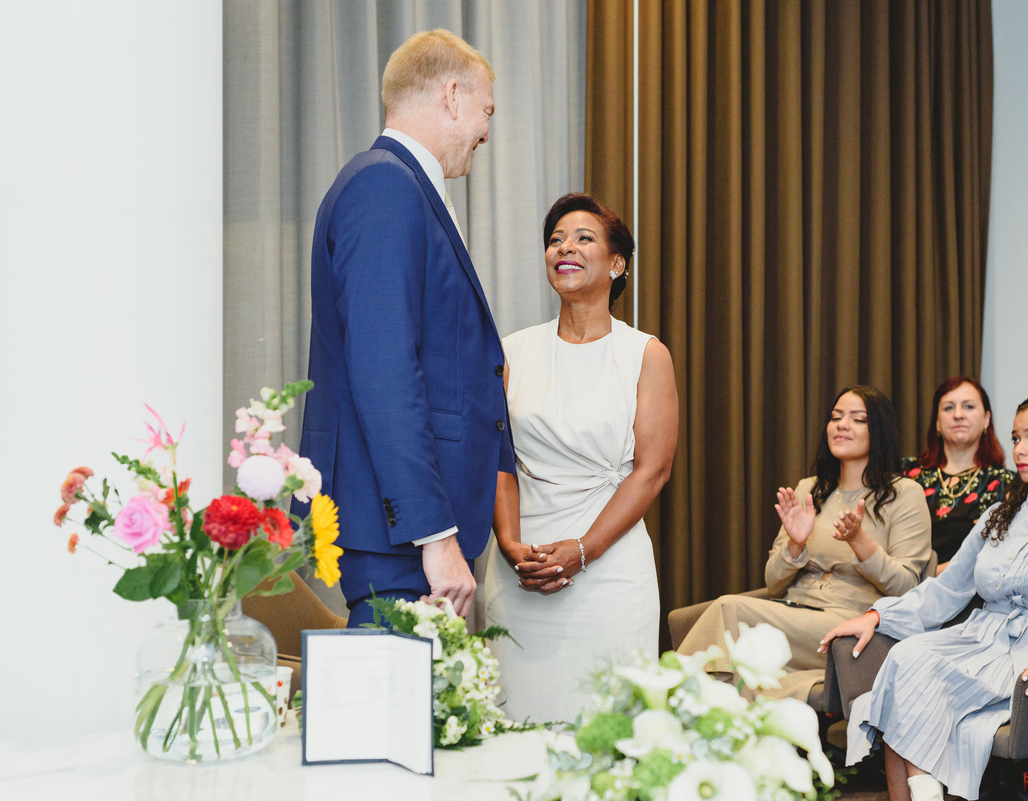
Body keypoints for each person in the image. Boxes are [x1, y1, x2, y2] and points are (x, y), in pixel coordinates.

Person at [294, 30, 514, 627]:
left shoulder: (398, 185)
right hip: (400, 535)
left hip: (402, 531)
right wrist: (434, 533)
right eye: (486, 111)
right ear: (452, 96)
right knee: (390, 712)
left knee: (420, 714)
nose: (486, 132)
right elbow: (385, 370)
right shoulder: (385, 185)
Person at [820, 393, 1028, 801]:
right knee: (906, 658)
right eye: (1016, 438)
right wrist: (878, 617)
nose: (1020, 450)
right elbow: (947, 588)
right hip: (977, 639)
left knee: (915, 676)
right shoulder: (998, 516)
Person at [482, 193, 679, 724]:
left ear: (617, 264)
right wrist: (507, 542)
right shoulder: (511, 351)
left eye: (583, 238)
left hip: (609, 572)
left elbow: (652, 471)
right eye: (555, 239)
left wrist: (583, 550)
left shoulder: (645, 353)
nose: (564, 247)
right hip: (519, 569)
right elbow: (500, 459)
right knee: (513, 728)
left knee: (606, 733)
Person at [675, 386, 932, 702]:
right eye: (836, 417)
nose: (841, 425)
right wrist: (795, 545)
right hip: (792, 611)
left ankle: (668, 701)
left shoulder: (904, 494)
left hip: (849, 622)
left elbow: (907, 588)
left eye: (857, 419)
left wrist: (859, 541)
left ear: (877, 430)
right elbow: (773, 582)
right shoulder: (811, 489)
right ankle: (704, 722)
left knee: (729, 608)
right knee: (733, 653)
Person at [902, 376, 1013, 573]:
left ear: (987, 419)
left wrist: (932, 576)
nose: (958, 415)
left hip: (968, 593)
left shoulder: (1007, 483)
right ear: (937, 422)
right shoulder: (905, 473)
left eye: (969, 407)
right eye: (948, 408)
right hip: (900, 586)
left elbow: (1000, 554)